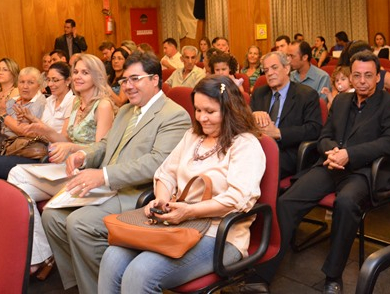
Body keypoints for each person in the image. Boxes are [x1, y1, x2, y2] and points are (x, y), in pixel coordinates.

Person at [98, 75, 266, 293]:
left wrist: (188, 211)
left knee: (141, 272)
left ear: (229, 109)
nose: (202, 118)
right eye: (198, 110)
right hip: (177, 223)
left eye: (210, 111)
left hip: (220, 234)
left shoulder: (245, 144)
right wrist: (161, 201)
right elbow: (166, 173)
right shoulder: (193, 136)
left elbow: (238, 199)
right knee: (111, 256)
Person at [41, 51, 191, 293]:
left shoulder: (174, 115)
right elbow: (105, 144)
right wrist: (84, 155)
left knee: (79, 224)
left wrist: (104, 175)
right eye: (124, 80)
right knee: (52, 217)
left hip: (137, 194)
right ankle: (85, 284)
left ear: (155, 79)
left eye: (135, 79)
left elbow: (157, 162)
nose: (128, 86)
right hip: (107, 187)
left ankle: (105, 287)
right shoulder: (126, 110)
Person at [257, 51, 390, 294]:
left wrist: (350, 154)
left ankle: (333, 276)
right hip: (331, 164)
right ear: (351, 77)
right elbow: (324, 135)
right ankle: (262, 274)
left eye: (368, 75)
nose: (362, 81)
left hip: (364, 170)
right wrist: (332, 152)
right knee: (287, 201)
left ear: (378, 77)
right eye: (357, 75)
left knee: (345, 203)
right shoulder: (342, 101)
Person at [7, 57, 116, 280]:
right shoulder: (77, 102)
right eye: (76, 72)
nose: (78, 76)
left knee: (18, 184)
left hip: (87, 174)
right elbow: (64, 138)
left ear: (96, 76)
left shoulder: (103, 105)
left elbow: (100, 150)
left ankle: (40, 256)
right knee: (15, 177)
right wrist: (43, 129)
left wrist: (71, 147)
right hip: (67, 168)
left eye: (85, 72)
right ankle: (42, 253)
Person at [250, 51, 322, 178]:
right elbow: (243, 123)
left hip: (288, 151)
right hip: (258, 148)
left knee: (253, 167)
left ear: (287, 68)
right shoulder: (259, 93)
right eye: (266, 70)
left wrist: (279, 133)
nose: (269, 73)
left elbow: (314, 129)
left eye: (274, 68)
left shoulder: (306, 95)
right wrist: (253, 115)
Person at [0, 67, 47, 184]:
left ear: (39, 85)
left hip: (21, 151)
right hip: (2, 145)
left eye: (30, 83)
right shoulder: (12, 100)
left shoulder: (40, 103)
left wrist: (3, 114)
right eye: (22, 82)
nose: (25, 86)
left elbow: (23, 131)